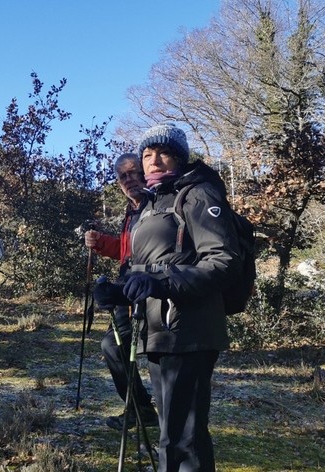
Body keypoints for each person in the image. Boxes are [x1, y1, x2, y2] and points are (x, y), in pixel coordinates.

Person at [121, 123, 240, 471]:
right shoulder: (154, 202)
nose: (153, 160)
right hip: (160, 331)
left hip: (189, 330)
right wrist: (119, 289)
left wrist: (162, 285)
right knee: (170, 431)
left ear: (179, 157)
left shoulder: (198, 194)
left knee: (183, 436)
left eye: (163, 152)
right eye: (146, 154)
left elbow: (222, 261)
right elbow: (148, 265)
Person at [84, 153, 159, 431]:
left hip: (150, 290)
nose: (129, 179)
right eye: (122, 176)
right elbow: (127, 252)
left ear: (146, 172)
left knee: (126, 347)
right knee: (114, 346)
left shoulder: (155, 206)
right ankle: (141, 409)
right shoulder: (132, 210)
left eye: (133, 172)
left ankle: (147, 410)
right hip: (129, 288)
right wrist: (101, 242)